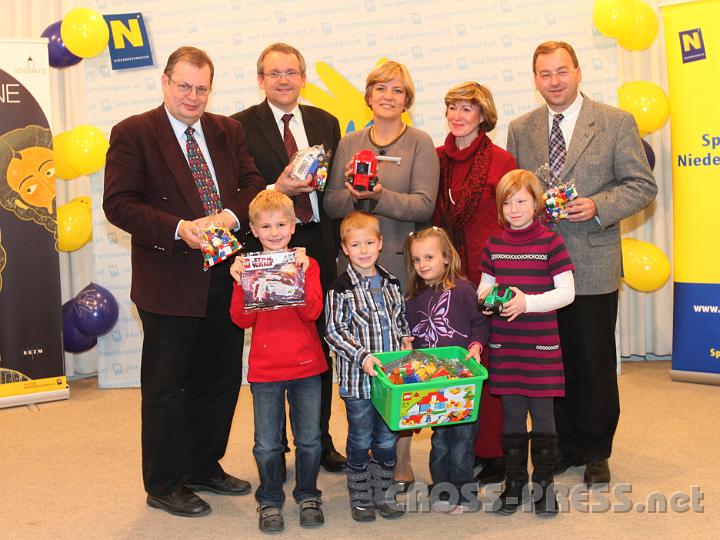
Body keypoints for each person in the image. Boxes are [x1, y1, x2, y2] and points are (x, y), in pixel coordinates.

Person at [103, 46, 264, 517]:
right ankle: (165, 482)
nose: (193, 96)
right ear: (166, 82)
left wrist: (229, 217)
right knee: (167, 386)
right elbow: (120, 204)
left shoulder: (227, 130)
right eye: (184, 85)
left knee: (220, 378)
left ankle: (203, 465)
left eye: (202, 88)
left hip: (226, 273)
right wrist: (181, 229)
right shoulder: (133, 132)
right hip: (169, 278)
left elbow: (252, 184)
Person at [506, 41, 657, 487]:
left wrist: (598, 205)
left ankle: (596, 449)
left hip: (592, 259)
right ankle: (564, 444)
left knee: (592, 359)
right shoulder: (521, 128)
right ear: (534, 79)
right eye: (545, 74)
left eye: (561, 72)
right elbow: (516, 192)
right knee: (550, 361)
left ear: (578, 72)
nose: (554, 81)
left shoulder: (614, 122)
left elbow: (641, 185)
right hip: (537, 266)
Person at [231, 42, 346, 474]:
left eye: (292, 72)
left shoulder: (326, 122)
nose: (284, 80)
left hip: (315, 242)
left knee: (317, 340)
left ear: (303, 77)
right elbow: (241, 188)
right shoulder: (239, 126)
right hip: (267, 246)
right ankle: (275, 444)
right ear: (261, 80)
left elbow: (332, 186)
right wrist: (277, 189)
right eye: (274, 73)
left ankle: (319, 438)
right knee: (273, 343)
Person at [324, 60, 439, 489]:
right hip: (352, 272)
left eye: (397, 90)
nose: (388, 96)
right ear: (369, 95)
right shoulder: (350, 141)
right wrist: (352, 195)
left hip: (400, 269)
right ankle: (367, 451)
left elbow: (424, 206)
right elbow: (332, 206)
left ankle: (401, 456)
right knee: (361, 363)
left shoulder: (420, 142)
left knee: (402, 367)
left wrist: (379, 194)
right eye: (380, 88)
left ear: (406, 99)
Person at [434, 82, 517, 486]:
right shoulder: (437, 159)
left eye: (467, 108)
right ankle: (462, 449)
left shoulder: (502, 160)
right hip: (450, 279)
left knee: (492, 364)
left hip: (491, 275)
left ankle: (495, 453)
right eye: (452, 107)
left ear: (483, 115)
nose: (458, 115)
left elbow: (513, 219)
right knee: (460, 364)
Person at [478, 169, 575, 516]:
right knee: (513, 417)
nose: (514, 209)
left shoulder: (552, 243)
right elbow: (484, 289)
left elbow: (566, 293)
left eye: (521, 201)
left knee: (543, 417)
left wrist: (527, 303)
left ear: (535, 203)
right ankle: (515, 483)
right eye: (507, 202)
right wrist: (490, 301)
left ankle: (545, 487)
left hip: (541, 345)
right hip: (506, 345)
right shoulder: (494, 245)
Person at [229, 191, 327, 533]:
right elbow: (241, 320)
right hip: (266, 369)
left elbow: (313, 312)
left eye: (281, 224)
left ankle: (308, 494)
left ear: (294, 225)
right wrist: (242, 283)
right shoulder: (247, 267)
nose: (274, 231)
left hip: (307, 366)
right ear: (254, 230)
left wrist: (295, 277)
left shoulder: (308, 265)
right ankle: (270, 499)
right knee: (267, 442)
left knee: (310, 439)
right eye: (266, 225)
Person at [324, 211, 412, 523]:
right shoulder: (341, 287)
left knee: (388, 438)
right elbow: (334, 332)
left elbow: (401, 318)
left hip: (391, 381)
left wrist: (405, 339)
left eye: (369, 243)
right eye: (356, 244)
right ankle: (360, 495)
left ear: (381, 243)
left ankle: (382, 492)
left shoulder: (390, 282)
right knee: (361, 438)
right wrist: (363, 357)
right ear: (345, 248)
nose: (363, 250)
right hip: (359, 383)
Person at [403, 226, 489, 514]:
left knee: (463, 439)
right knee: (440, 440)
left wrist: (476, 346)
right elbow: (411, 335)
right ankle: (442, 488)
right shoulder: (413, 296)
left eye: (429, 257)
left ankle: (465, 493)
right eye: (417, 260)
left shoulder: (463, 289)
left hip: (462, 380)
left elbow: (480, 322)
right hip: (432, 381)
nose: (423, 264)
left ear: (446, 258)